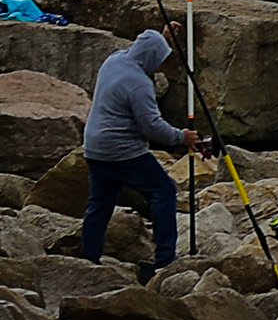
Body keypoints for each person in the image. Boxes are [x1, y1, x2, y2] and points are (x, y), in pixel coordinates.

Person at [79, 28, 200, 278]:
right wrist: (182, 138)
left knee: (100, 204)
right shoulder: (139, 84)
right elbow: (152, 126)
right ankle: (165, 259)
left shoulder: (114, 60)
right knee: (163, 191)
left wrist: (162, 37)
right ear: (151, 58)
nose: (160, 66)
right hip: (123, 152)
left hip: (94, 147)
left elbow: (145, 47)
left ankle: (88, 259)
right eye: (160, 59)